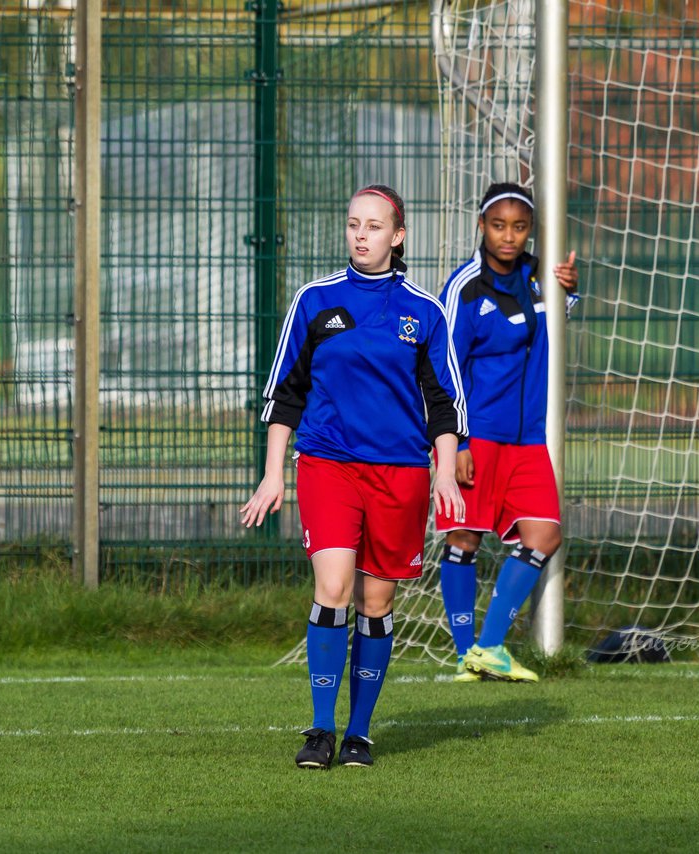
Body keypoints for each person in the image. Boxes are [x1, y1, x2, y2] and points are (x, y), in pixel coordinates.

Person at [241, 184, 467, 770]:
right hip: (327, 462)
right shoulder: (315, 302)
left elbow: (444, 404)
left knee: (375, 599)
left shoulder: (424, 312)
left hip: (400, 474)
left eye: (373, 226)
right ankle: (319, 729)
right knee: (334, 586)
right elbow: (284, 396)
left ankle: (359, 734)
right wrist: (273, 476)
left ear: (398, 236)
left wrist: (445, 473)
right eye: (352, 225)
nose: (361, 235)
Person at [435, 182, 578, 683]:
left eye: (519, 227)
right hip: (480, 437)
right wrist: (460, 442)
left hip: (529, 439)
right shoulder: (464, 288)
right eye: (499, 225)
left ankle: (490, 646)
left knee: (545, 534)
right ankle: (463, 655)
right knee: (464, 537)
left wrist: (569, 289)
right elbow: (443, 366)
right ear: (481, 227)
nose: (509, 236)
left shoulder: (539, 277)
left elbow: (548, 325)